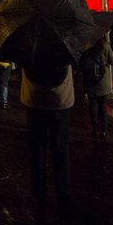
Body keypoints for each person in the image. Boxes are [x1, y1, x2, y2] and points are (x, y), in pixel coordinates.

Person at [21, 61, 75, 215]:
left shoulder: (29, 41)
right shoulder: (65, 41)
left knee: (37, 150)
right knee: (60, 149)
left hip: (34, 98)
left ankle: (39, 193)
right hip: (61, 99)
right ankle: (63, 192)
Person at [79, 35, 113, 137]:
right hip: (102, 81)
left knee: (92, 106)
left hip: (89, 81)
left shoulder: (84, 46)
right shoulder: (105, 45)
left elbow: (81, 64)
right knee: (102, 106)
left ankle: (95, 129)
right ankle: (103, 130)